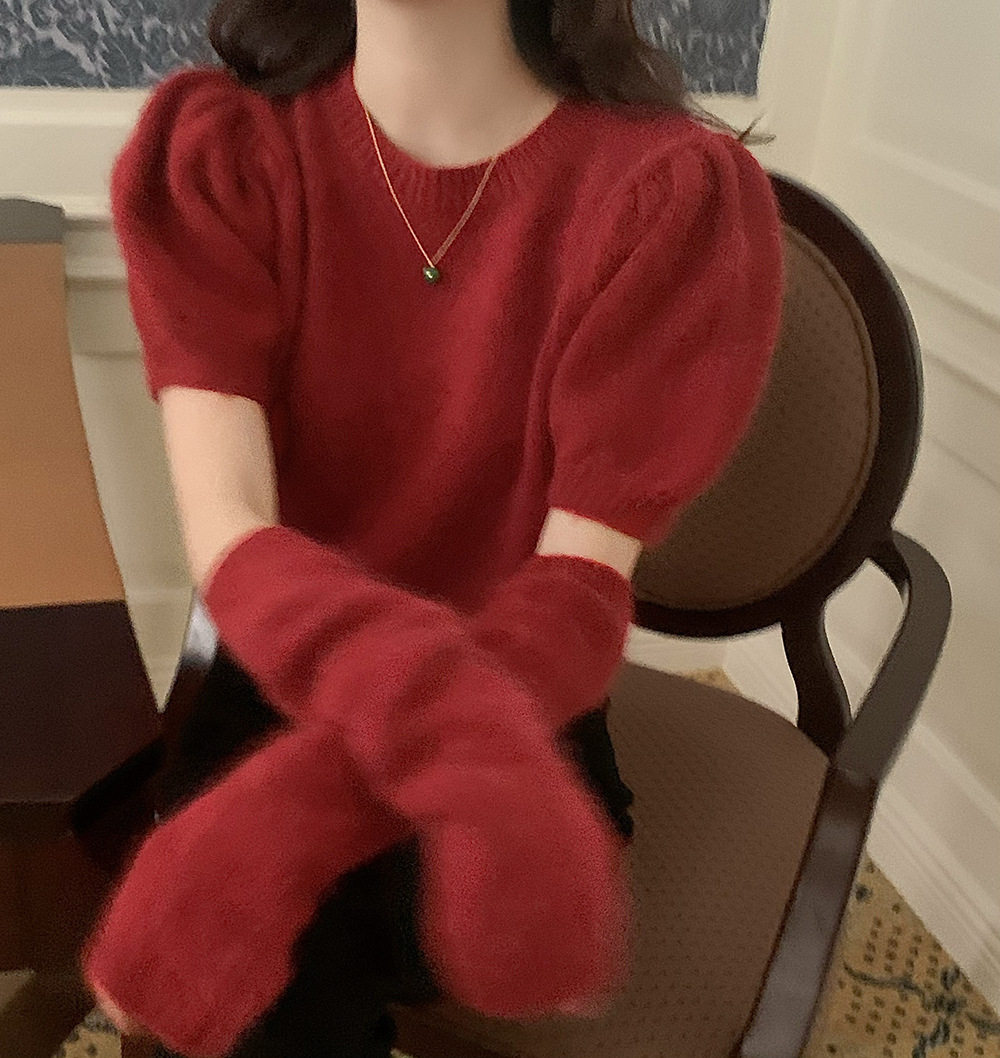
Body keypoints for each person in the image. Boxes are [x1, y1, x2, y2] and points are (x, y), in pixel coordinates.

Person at [81, 1, 786, 1055]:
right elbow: (231, 530)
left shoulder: (669, 197)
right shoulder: (221, 153)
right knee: (258, 999)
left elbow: (577, 589)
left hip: (524, 689)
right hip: (289, 669)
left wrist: (280, 822)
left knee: (361, 932)